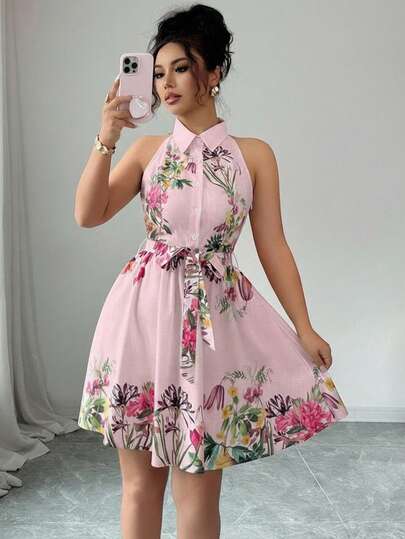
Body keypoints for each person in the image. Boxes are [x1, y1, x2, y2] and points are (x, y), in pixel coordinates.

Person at [74, 4, 349, 539]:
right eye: (159, 72)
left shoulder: (254, 156)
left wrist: (305, 326)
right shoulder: (147, 151)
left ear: (214, 72)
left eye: (181, 67)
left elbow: (273, 245)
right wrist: (107, 136)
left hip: (210, 334)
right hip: (141, 320)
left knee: (197, 486)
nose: (166, 83)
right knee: (139, 486)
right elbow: (88, 213)